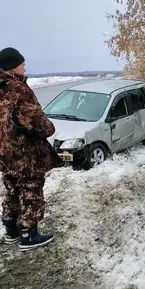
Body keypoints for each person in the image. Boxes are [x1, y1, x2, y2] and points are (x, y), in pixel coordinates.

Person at [0, 47, 63, 251]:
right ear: (13, 66)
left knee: (11, 188)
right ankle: (28, 234)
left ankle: (11, 230)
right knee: (30, 189)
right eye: (22, 64)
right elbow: (38, 124)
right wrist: (49, 127)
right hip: (24, 153)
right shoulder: (19, 90)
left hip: (4, 153)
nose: (25, 67)